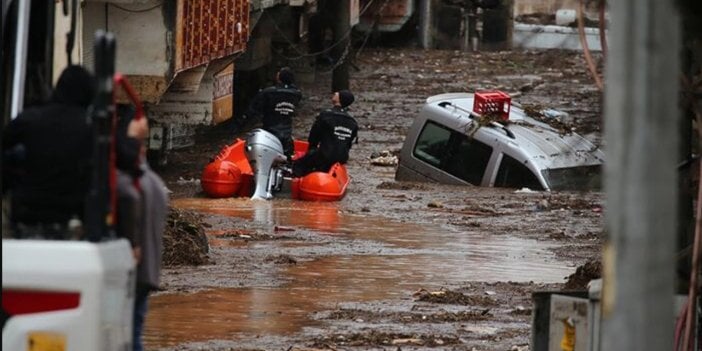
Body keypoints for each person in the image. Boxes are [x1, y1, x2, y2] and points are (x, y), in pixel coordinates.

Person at [2, 65, 95, 239]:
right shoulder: (89, 128)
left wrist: (10, 178)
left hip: (25, 209)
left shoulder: (31, 118)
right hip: (65, 214)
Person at [293, 90, 358, 177]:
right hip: (342, 157)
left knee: (298, 164)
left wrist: (311, 151)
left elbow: (313, 137)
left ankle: (300, 181)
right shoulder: (352, 122)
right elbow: (348, 144)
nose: (335, 93)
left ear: (339, 99)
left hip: (324, 155)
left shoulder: (325, 115)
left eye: (337, 93)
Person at [243, 67, 302, 158]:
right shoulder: (297, 94)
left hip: (270, 134)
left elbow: (254, 109)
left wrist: (244, 118)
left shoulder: (268, 92)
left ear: (279, 78)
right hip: (286, 135)